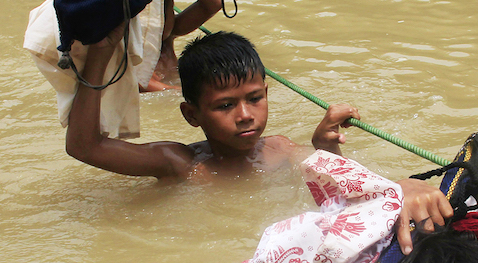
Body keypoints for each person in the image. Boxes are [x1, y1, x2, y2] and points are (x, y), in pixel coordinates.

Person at [65, 17, 362, 181]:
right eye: (225, 105)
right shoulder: (181, 164)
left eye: (255, 98)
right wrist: (102, 52)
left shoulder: (280, 148)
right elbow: (84, 146)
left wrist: (327, 147)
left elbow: (344, 185)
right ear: (191, 115)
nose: (245, 114)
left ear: (267, 94)